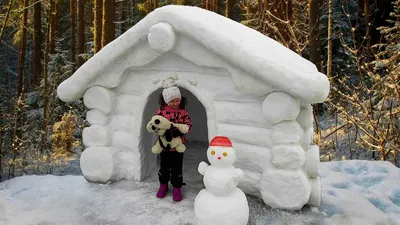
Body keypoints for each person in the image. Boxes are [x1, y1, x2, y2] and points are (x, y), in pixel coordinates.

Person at [154, 86, 192, 201]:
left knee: (177, 168)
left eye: (177, 100)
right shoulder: (161, 112)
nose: (175, 103)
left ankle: (176, 187)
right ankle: (163, 185)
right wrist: (164, 132)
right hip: (165, 145)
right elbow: (155, 125)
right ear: (166, 101)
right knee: (164, 167)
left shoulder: (183, 111)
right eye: (172, 101)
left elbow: (188, 125)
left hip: (178, 146)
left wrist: (179, 131)